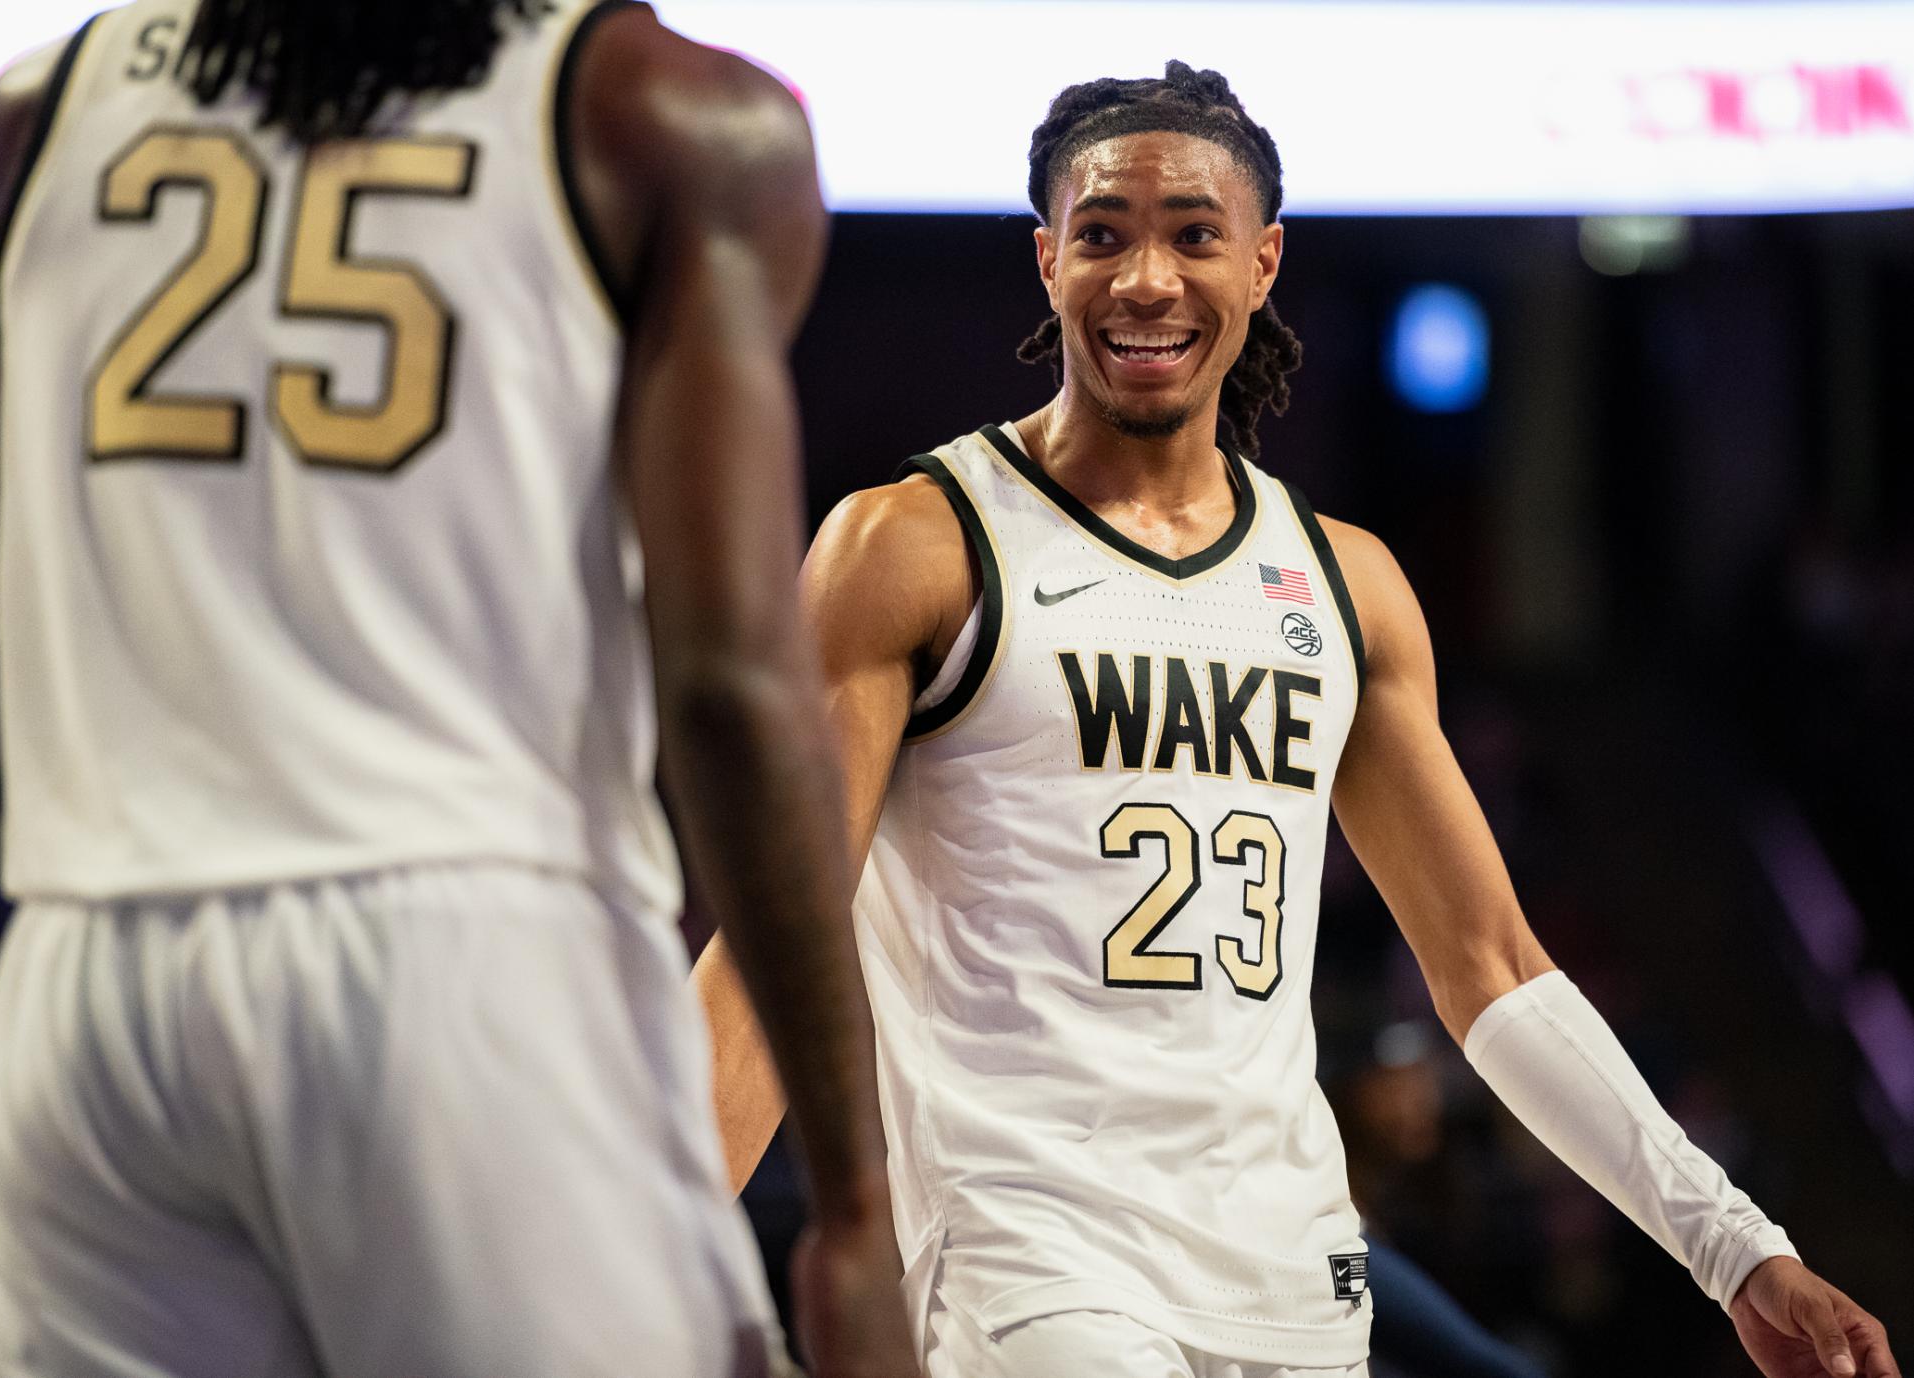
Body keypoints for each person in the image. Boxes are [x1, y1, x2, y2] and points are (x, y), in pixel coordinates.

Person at [692, 61, 1901, 1378]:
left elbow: (1491, 969)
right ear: (1046, 261)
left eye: (1191, 233)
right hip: (1034, 1271)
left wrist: (1733, 1246)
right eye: (1101, 233)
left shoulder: (1346, 582)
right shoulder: (911, 545)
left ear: (1263, 262)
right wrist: (650, 1261)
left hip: (1291, 1270)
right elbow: (772, 941)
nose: (1144, 277)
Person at [0, 1, 915, 1375]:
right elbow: (734, 688)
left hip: (82, 991)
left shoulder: (28, 116)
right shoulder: (663, 114)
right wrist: (853, 1201)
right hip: (461, 966)